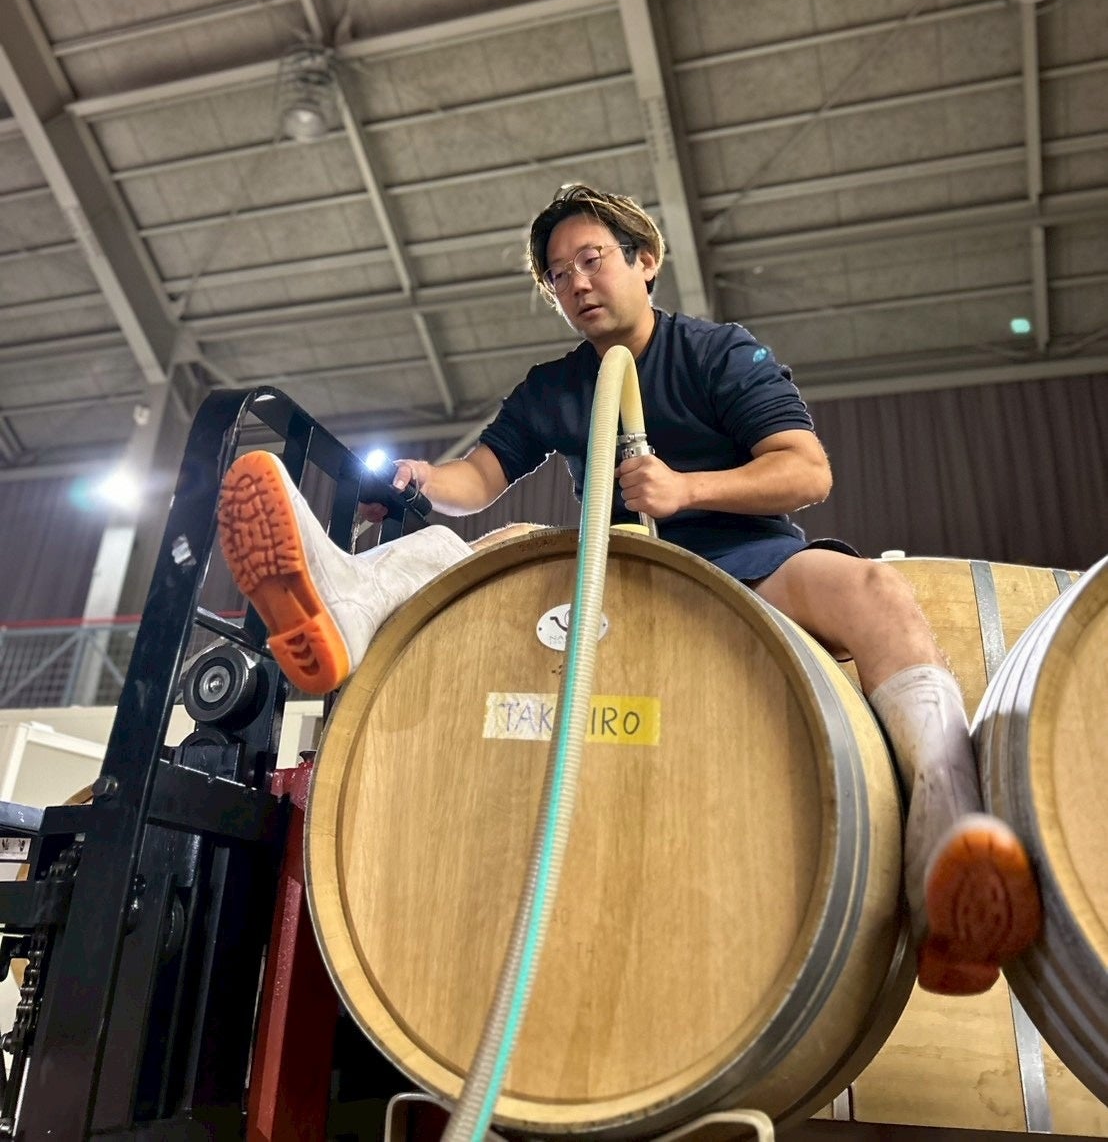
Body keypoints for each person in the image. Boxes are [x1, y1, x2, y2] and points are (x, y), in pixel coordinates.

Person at [218, 183, 1042, 998]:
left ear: (645, 261)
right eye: (558, 275)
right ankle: (348, 604)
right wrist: (423, 477)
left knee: (874, 590)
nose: (576, 283)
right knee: (487, 543)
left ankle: (947, 867)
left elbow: (805, 470)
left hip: (749, 567)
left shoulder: (718, 352)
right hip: (621, 581)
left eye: (592, 260)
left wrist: (685, 490)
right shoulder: (555, 386)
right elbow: (480, 477)